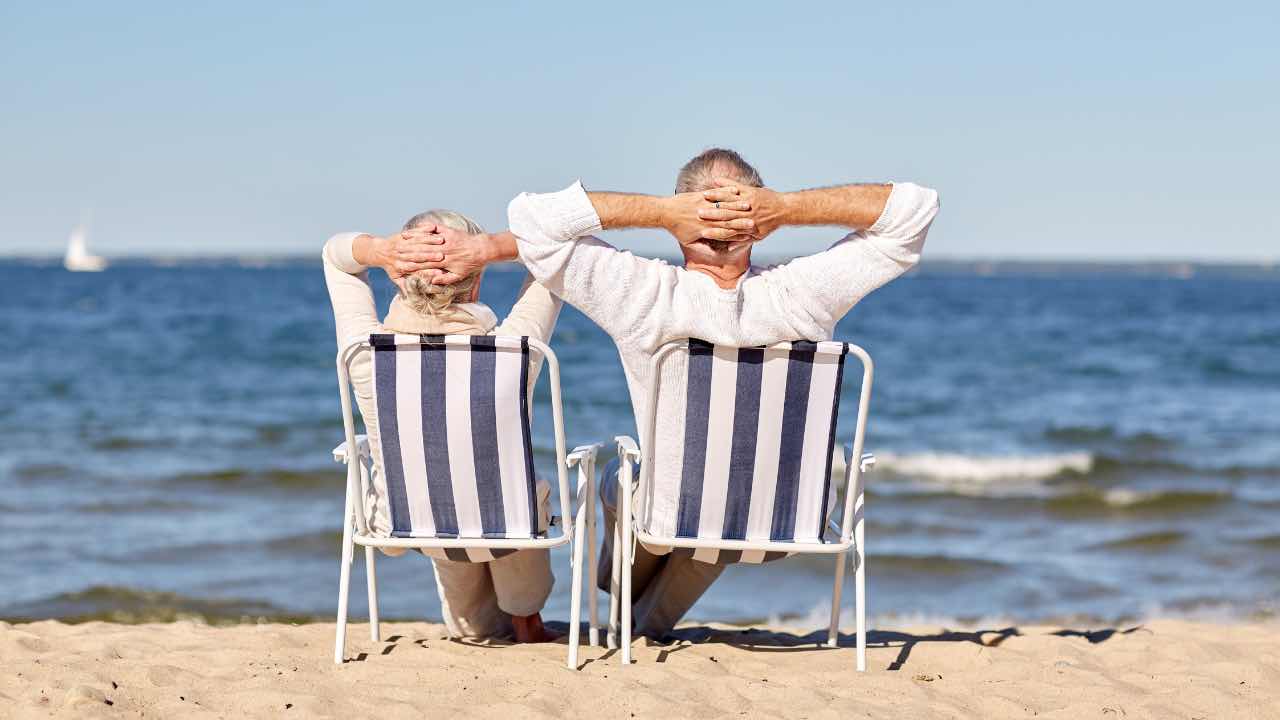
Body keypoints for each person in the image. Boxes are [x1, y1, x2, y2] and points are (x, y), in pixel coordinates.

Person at [405, 148, 939, 638]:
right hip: (782, 521)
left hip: (668, 516)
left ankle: (618, 597)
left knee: (626, 477)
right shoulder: (803, 294)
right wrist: (785, 209)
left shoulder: (642, 294)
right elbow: (915, 210)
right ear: (762, 226)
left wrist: (664, 212)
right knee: (730, 496)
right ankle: (642, 621)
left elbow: (536, 221)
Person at [322, 208, 562, 643]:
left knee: (438, 482)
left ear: (398, 276)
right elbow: (559, 249)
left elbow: (335, 255)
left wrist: (380, 249)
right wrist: (488, 248)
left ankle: (478, 623)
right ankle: (527, 618)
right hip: (507, 522)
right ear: (477, 278)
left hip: (404, 518)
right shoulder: (514, 350)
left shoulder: (365, 354)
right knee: (513, 487)